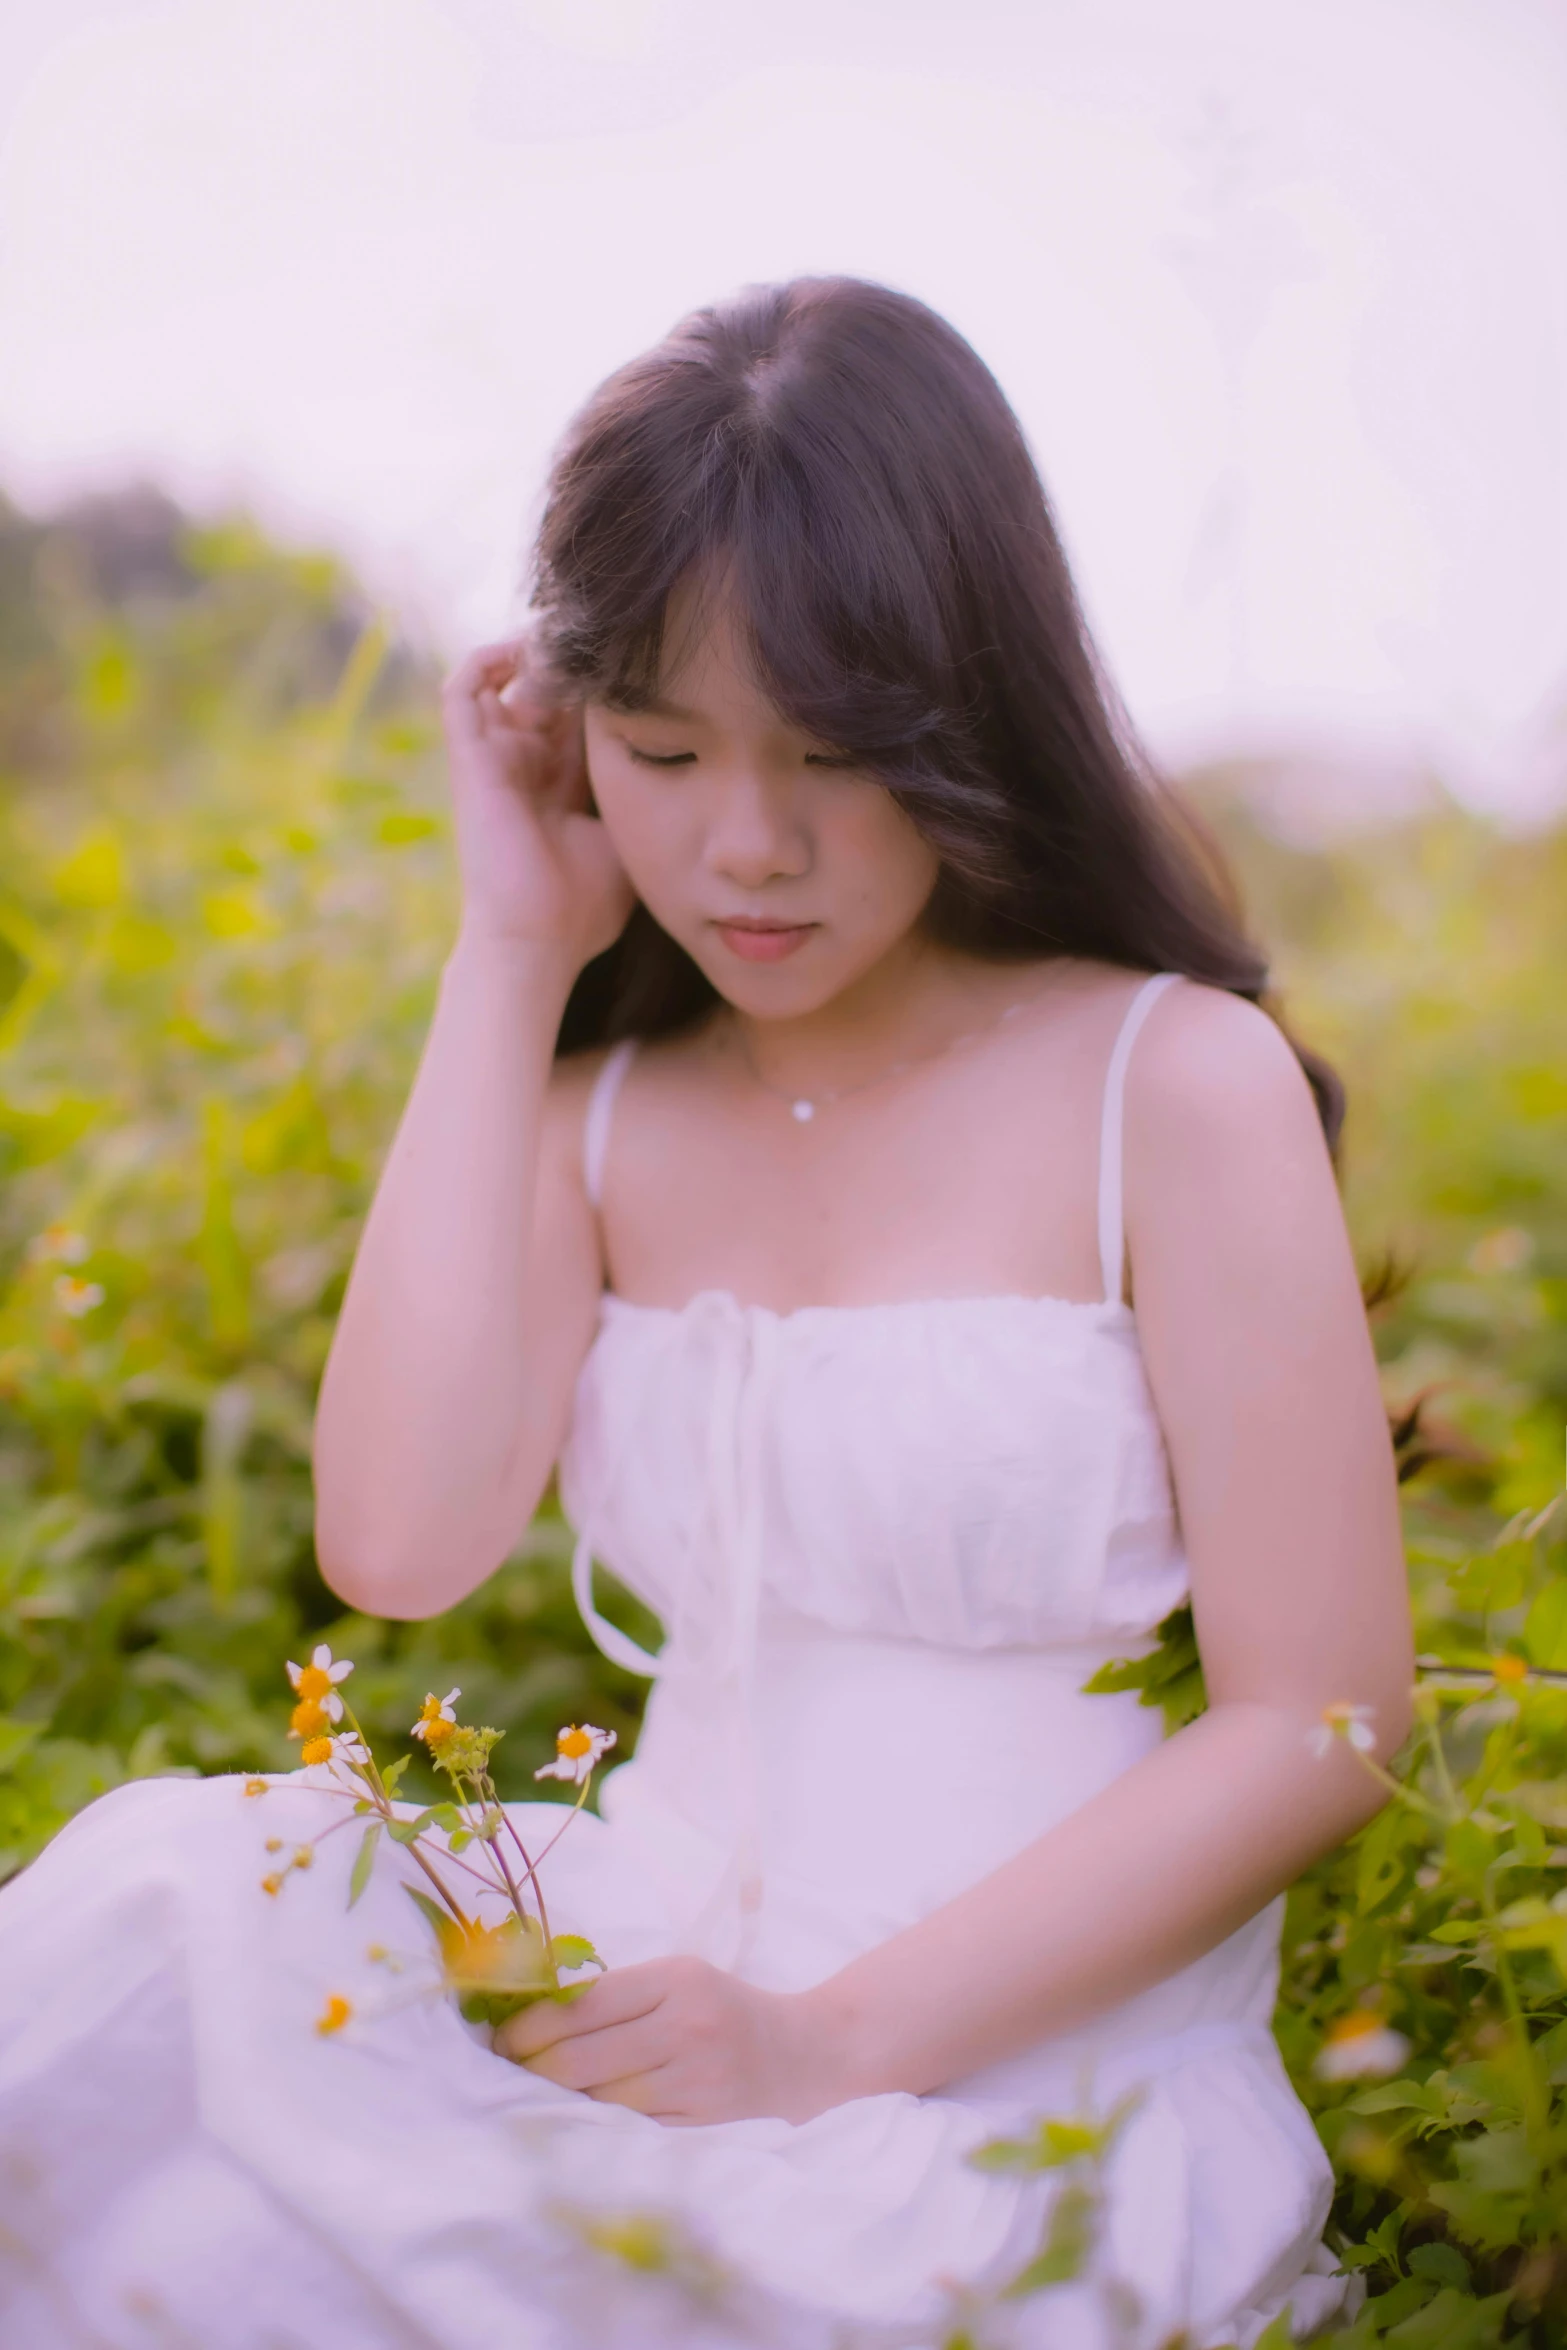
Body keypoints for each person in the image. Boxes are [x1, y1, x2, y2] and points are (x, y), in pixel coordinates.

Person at [0, 279, 1412, 2350]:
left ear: (973, 717)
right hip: (632, 1957)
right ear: (577, 731)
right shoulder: (601, 1113)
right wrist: (509, 954)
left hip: (1012, 2069)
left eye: (838, 758)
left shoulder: (1168, 1084)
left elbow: (1324, 1719)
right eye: (665, 750)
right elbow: (396, 1542)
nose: (746, 845)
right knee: (161, 1928)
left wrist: (825, 2038)